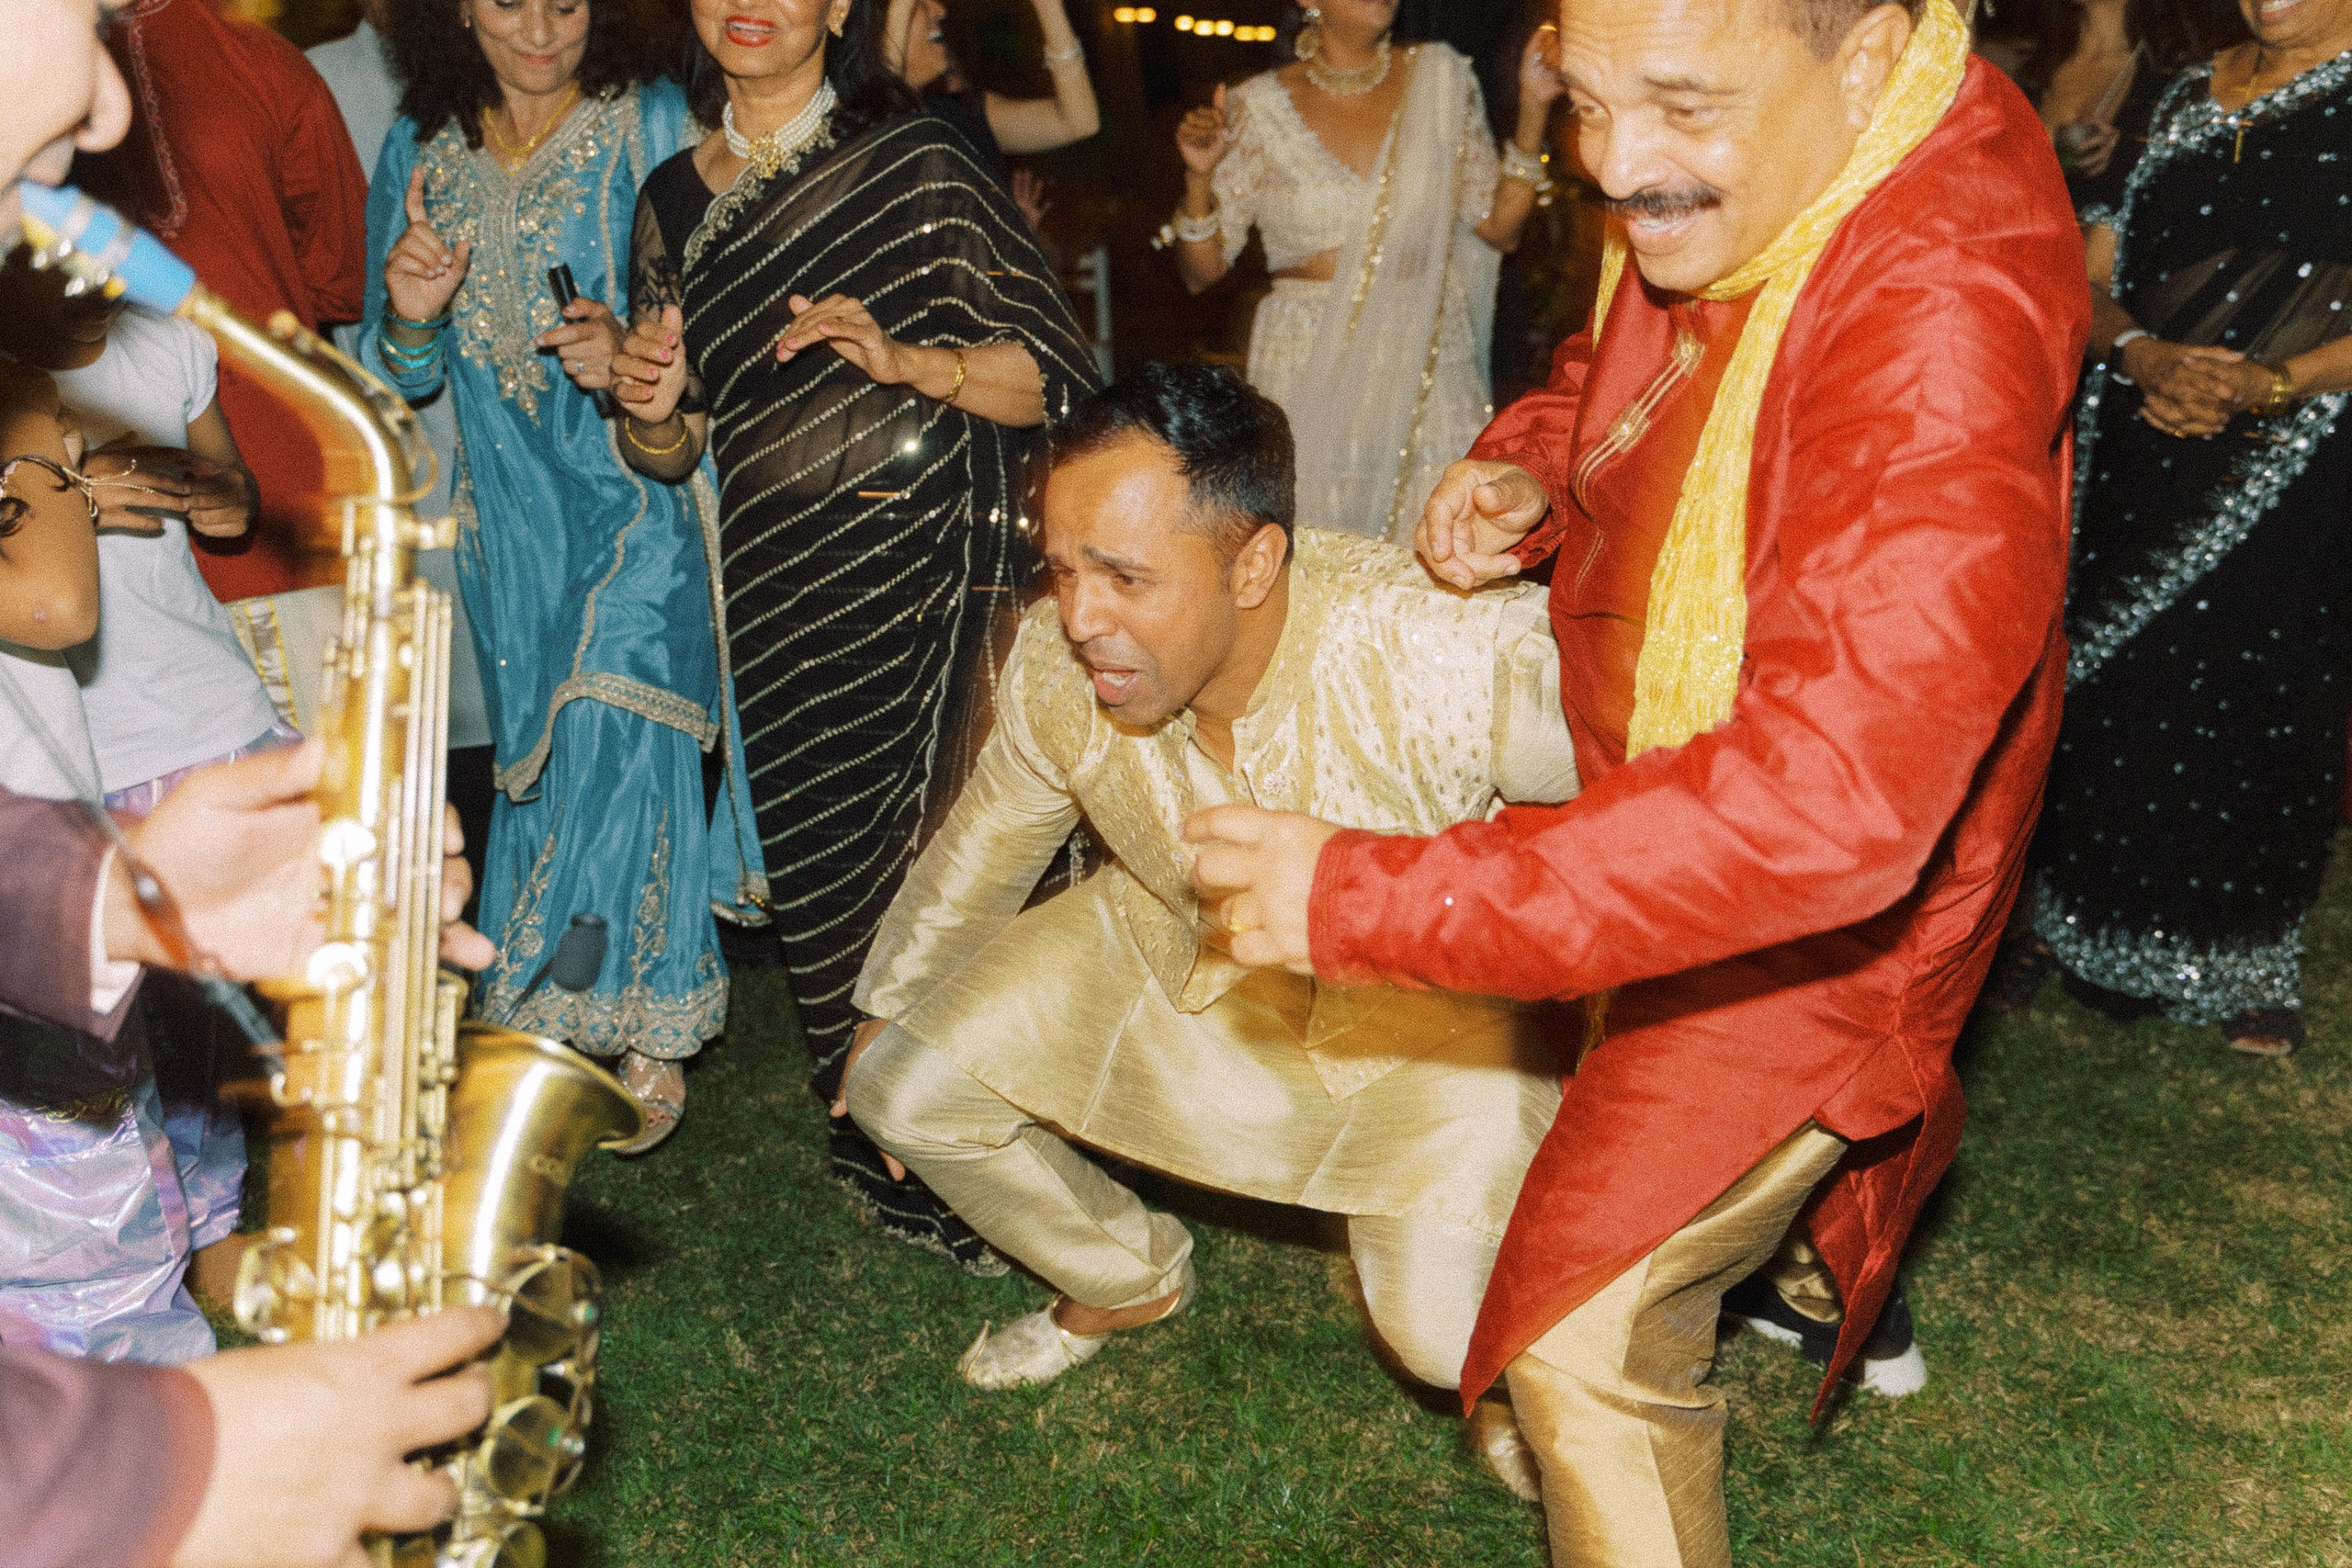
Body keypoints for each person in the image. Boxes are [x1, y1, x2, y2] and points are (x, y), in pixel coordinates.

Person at [1182, 0, 2090, 1560]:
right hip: (1690, 795)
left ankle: (1798, 1238)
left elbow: (1828, 804)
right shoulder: (1766, 156)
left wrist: (1371, 893)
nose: (1618, 162)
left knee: (1586, 1332)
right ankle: (1816, 1257)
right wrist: (1540, 458)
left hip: (1811, 899)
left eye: (1677, 105)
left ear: (1867, 55)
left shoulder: (1943, 306)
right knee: (1659, 1164)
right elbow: (1635, 344)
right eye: (1584, 105)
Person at [839, 366, 1572, 1494]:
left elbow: (1673, 804)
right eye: (1064, 568)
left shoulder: (1447, 654)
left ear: (1254, 562)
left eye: (1125, 576)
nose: (1081, 619)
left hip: (1433, 1026)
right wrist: (887, 1004)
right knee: (900, 1086)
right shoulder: (1058, 659)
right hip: (1177, 954)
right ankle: (1128, 1278)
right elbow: (987, 840)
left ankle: (1515, 1348)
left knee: (1437, 1341)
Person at [0, 6, 503, 1560]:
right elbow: (60, 596)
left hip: (133, 772)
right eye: (77, 13)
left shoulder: (130, 338)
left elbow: (218, 498)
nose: (103, 105)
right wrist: (170, 1461)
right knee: (86, 1217)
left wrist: (99, 890)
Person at [612, 0, 1099, 1272]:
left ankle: (996, 1135)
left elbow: (1056, 368)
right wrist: (648, 406)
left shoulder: (920, 159)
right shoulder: (670, 197)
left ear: (841, 9)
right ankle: (892, 1128)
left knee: (952, 855)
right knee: (834, 864)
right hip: (781, 591)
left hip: (941, 573)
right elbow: (671, 444)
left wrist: (911, 363)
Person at [366, 0, 762, 1153]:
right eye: (506, 0)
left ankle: (647, 1031)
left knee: (618, 719)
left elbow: (712, 311)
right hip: (512, 519)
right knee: (547, 765)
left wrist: (629, 352)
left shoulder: (646, 122)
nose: (540, 27)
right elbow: (395, 369)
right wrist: (410, 319)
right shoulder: (420, 145)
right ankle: (558, 1008)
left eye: (568, 0)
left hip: (646, 490)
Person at [2002, 0, 2352, 1057]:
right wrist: (2141, 355)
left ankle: (2241, 954)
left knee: (2266, 683)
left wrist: (2273, 381)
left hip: (2303, 447)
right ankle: (2060, 927)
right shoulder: (2176, 94)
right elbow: (2089, 270)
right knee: (2106, 681)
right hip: (2141, 430)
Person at [0, 247, 283, 1364]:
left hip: (174, 730)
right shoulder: (16, 388)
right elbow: (62, 600)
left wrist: (85, 482)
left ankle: (197, 1235)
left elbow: (228, 510)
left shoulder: (164, 347)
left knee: (201, 1021)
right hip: (65, 786)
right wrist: (54, 472)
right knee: (88, 1100)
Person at [1168, 1, 1565, 545]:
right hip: (1306, 358)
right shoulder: (1255, 106)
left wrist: (1533, 108)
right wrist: (1197, 178)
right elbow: (1202, 272)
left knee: (1440, 551)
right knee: (1316, 561)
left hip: (1426, 352)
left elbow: (1499, 227)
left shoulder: (1440, 78)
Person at [72, 0, 370, 600]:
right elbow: (338, 273)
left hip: (270, 499)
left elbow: (342, 277)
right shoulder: (259, 58)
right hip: (91, 529)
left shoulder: (264, 61)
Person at [1986, 0, 2202, 220]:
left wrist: (2127, 154)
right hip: (2026, 238)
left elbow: (2192, 181)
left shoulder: (2169, 69)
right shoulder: (2034, 65)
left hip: (2109, 246)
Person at [886, 0, 1100, 181]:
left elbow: (1079, 122)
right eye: (919, 3)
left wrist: (1047, 5)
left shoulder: (956, 116)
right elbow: (883, 97)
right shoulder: (861, 126)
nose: (941, 10)